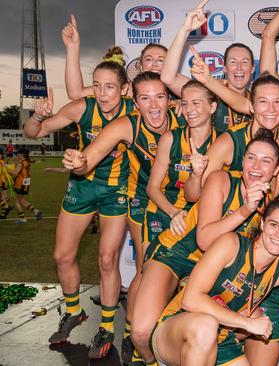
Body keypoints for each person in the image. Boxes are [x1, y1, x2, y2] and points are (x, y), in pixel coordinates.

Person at [61, 71, 182, 361]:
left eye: (160, 97)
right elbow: (91, 155)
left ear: (170, 100)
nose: (154, 105)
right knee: (145, 266)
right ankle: (132, 332)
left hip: (178, 200)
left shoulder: (185, 116)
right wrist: (79, 163)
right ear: (135, 102)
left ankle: (154, 328)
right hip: (141, 199)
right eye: (145, 98)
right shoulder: (126, 124)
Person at [131, 131, 279, 365]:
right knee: (141, 332)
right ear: (242, 161)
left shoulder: (271, 207)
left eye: (266, 161)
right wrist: (246, 210)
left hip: (211, 268)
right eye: (251, 157)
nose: (256, 166)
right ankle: (151, 361)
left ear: (277, 169)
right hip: (178, 253)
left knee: (216, 326)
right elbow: (204, 239)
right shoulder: (221, 179)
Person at [23, 47, 135, 359]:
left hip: (116, 191)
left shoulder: (135, 110)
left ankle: (107, 326)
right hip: (82, 187)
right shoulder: (83, 107)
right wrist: (37, 115)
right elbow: (34, 132)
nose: (102, 93)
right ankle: (74, 311)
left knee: (108, 259)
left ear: (124, 88)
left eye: (109, 86)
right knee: (61, 256)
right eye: (96, 85)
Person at [150, 199, 279, 366]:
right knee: (206, 325)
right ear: (262, 224)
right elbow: (190, 299)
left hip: (222, 341)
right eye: (274, 224)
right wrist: (246, 323)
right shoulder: (231, 244)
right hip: (180, 329)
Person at [182, 70, 279, 203]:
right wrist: (196, 175)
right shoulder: (229, 142)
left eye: (277, 102)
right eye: (263, 102)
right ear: (251, 106)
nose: (271, 109)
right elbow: (192, 196)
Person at [161, 1, 254, 134]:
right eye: (233, 62)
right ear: (224, 68)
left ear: (252, 68)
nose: (239, 68)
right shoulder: (209, 91)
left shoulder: (258, 99)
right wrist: (184, 31)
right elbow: (168, 78)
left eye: (244, 62)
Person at [144, 80, 218, 245]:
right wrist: (174, 213)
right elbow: (152, 188)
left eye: (196, 103)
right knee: (147, 268)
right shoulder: (170, 138)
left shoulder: (223, 142)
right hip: (164, 212)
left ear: (212, 107)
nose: (189, 110)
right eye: (184, 104)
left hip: (200, 219)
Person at [61, 13, 173, 98]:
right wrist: (72, 47)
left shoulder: (179, 92)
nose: (154, 64)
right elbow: (76, 94)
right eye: (149, 59)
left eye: (161, 60)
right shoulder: (127, 89)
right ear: (140, 65)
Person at [8, 149, 42, 223]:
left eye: (17, 154)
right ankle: (36, 212)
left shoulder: (21, 163)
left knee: (15, 201)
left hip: (19, 184)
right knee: (22, 201)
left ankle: (22, 218)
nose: (16, 155)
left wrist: (5, 169)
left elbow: (14, 173)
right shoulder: (27, 162)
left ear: (22, 155)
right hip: (26, 184)